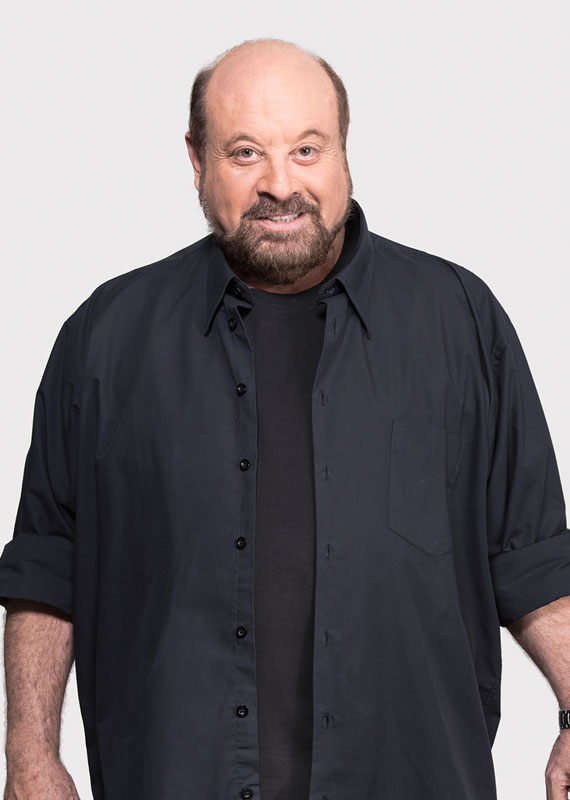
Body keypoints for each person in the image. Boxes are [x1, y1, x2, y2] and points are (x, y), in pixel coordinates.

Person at [1, 37, 570, 800]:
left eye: (306, 149)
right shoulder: (107, 338)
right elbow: (47, 564)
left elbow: (533, 556)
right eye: (245, 153)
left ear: (343, 151)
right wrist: (30, 755)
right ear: (197, 161)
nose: (280, 184)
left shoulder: (459, 320)